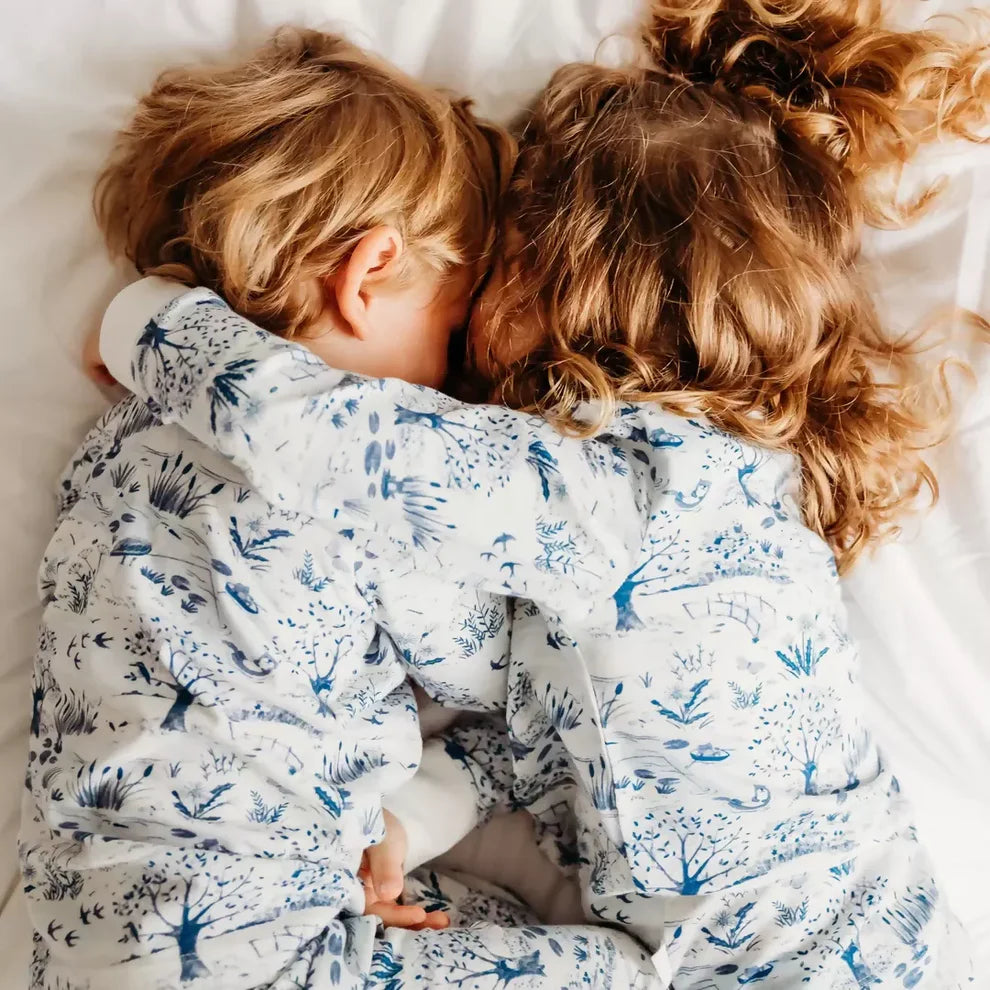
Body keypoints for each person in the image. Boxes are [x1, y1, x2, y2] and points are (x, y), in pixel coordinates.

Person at [97, 1, 990, 986]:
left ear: (559, 277)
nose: (472, 298)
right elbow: (543, 736)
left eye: (500, 259)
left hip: (829, 954)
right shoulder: (618, 518)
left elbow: (338, 446)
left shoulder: (648, 483)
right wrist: (409, 818)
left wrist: (154, 321)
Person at [22, 27, 662, 990]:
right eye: (451, 334)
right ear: (368, 276)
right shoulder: (355, 476)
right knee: (636, 971)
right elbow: (505, 677)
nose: (461, 383)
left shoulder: (111, 448)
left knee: (471, 915)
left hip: (79, 936)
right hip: (255, 957)